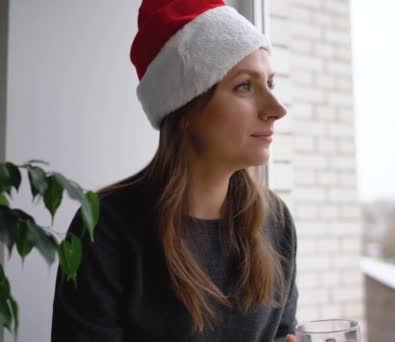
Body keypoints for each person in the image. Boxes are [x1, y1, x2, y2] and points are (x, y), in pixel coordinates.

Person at [51, 0, 299, 341]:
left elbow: (285, 334)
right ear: (186, 108)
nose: (276, 109)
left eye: (271, 84)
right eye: (244, 86)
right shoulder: (104, 228)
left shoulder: (277, 222)